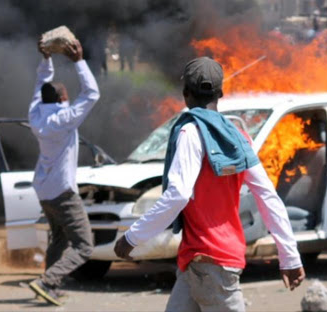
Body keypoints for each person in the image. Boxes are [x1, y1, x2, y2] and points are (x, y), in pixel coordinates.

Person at [114, 57, 304, 311]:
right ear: (221, 93)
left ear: (185, 94)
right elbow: (268, 196)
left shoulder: (189, 133)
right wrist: (289, 256)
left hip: (210, 264)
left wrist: (132, 237)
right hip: (200, 262)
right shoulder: (239, 137)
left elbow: (178, 195)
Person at [28, 37, 100, 306]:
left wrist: (46, 58)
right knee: (84, 246)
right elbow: (92, 94)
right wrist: (79, 61)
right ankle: (47, 281)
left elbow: (39, 86)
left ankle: (51, 285)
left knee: (58, 238)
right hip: (62, 191)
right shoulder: (64, 119)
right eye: (67, 94)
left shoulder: (37, 116)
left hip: (44, 190)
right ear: (61, 99)